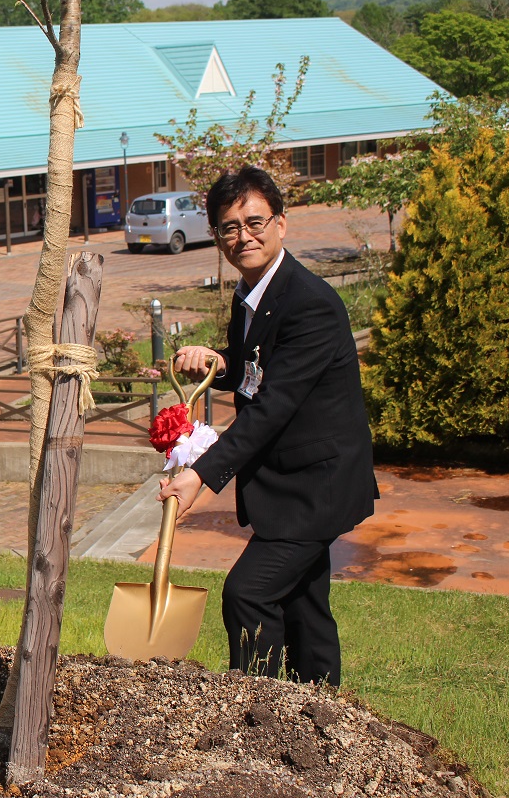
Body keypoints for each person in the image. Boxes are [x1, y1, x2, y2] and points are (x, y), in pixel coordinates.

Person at [160, 165, 376, 686]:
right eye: (229, 227)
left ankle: (257, 711)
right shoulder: (251, 293)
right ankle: (323, 716)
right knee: (304, 605)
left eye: (254, 221)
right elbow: (257, 366)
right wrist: (219, 363)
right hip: (288, 482)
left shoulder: (312, 305)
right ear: (216, 236)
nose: (243, 236)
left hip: (316, 486)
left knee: (249, 593)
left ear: (282, 223)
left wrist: (201, 474)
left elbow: (273, 406)